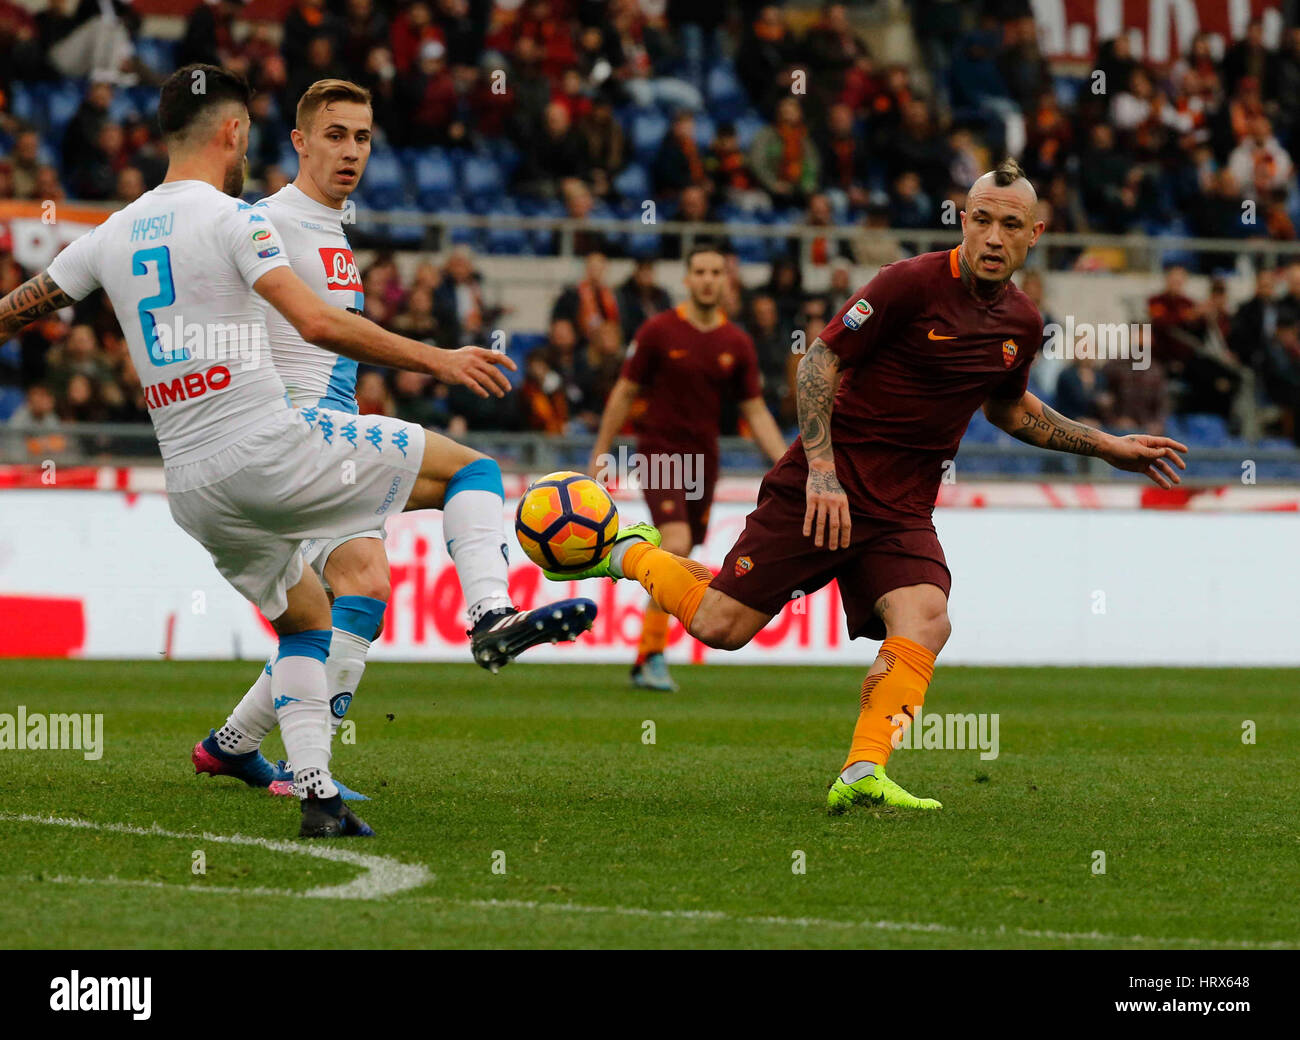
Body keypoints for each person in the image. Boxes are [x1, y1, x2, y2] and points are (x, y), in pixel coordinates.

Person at [0, 64, 596, 839]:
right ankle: (490, 612)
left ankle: (311, 792)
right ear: (239, 133)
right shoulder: (243, 220)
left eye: (362, 139)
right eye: (338, 136)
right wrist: (439, 358)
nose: (352, 151)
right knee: (473, 471)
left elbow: (20, 308)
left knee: (311, 621)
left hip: (192, 486)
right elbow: (314, 324)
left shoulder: (110, 233)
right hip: (273, 445)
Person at [549, 160, 1187, 810]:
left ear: (1035, 235)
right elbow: (819, 361)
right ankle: (629, 551)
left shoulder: (1021, 324)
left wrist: (1108, 445)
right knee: (721, 625)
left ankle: (862, 772)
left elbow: (1010, 410)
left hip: (902, 508)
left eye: (1011, 225)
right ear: (964, 221)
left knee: (926, 617)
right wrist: (821, 472)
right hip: (823, 485)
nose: (995, 237)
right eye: (984, 221)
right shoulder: (907, 284)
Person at [584, 242, 787, 691]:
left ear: (725, 281)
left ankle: (645, 657)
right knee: (674, 542)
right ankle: (652, 655)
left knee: (684, 550)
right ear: (688, 278)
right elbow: (624, 391)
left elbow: (754, 411)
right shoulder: (658, 331)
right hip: (658, 452)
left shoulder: (736, 343)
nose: (709, 279)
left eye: (717, 272)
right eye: (700, 271)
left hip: (704, 460)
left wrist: (786, 461)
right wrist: (601, 450)